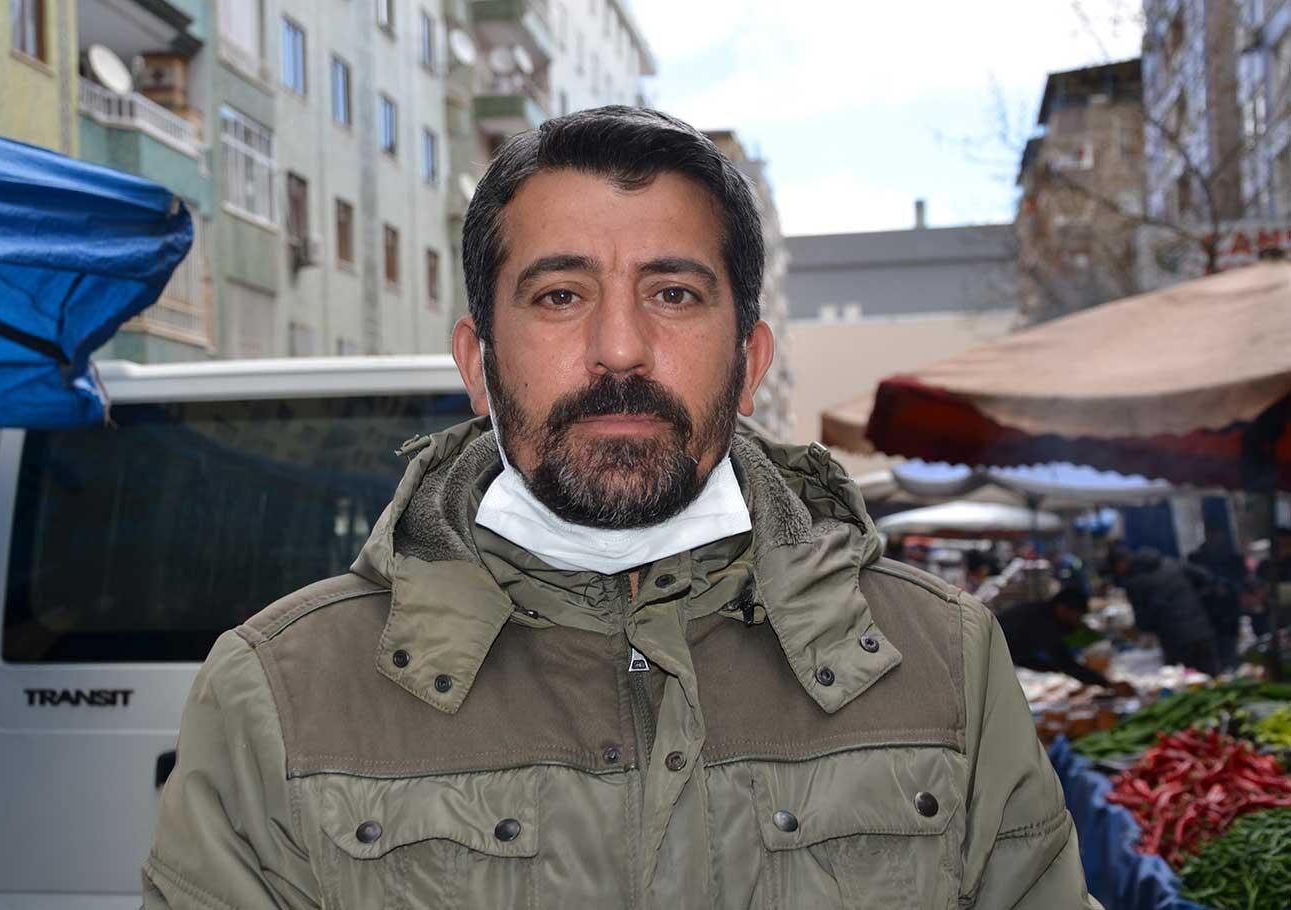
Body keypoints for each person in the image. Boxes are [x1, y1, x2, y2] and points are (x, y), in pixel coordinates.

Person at [144, 107, 1098, 909]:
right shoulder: (278, 696)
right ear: (478, 363)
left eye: (673, 293)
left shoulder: (945, 666)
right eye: (560, 295)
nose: (619, 349)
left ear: (750, 362)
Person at [1109, 544, 1219, 675]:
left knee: (1181, 681)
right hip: (1201, 631)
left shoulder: (1135, 582)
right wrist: (1196, 602)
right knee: (1212, 679)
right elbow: (1206, 578)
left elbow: (1143, 623)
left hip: (1174, 639)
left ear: (1121, 564)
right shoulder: (1170, 562)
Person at [997, 586, 1130, 690]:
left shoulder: (1041, 613)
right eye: (1077, 615)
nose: (1078, 621)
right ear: (1062, 609)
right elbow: (1065, 663)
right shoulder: (1044, 623)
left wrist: (1049, 668)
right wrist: (1107, 684)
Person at [1188, 528, 1248, 671]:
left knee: (1230, 649)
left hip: (1229, 612)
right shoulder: (1196, 558)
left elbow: (1241, 581)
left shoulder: (1233, 558)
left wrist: (1228, 588)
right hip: (1208, 613)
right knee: (1213, 652)